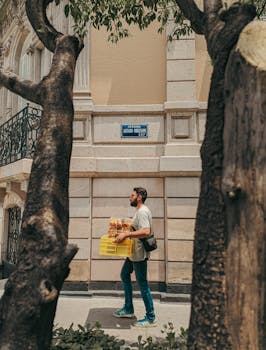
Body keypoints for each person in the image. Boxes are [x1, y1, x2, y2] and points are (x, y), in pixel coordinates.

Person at [113, 187, 157, 327]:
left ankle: (151, 318)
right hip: (133, 253)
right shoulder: (139, 211)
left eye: (132, 195)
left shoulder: (143, 211)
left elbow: (145, 231)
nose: (129, 197)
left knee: (143, 284)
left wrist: (126, 234)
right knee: (125, 274)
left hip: (139, 254)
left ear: (139, 197)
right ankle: (128, 308)